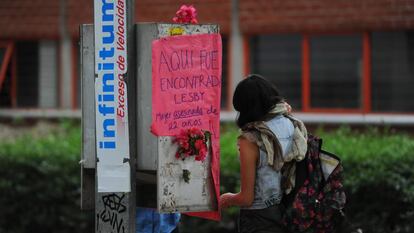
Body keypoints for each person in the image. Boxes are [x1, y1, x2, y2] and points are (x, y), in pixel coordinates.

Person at [219, 74, 307, 233]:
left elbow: (246, 198)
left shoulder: (250, 140)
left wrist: (228, 198)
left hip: (258, 218)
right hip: (286, 209)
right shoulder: (289, 122)